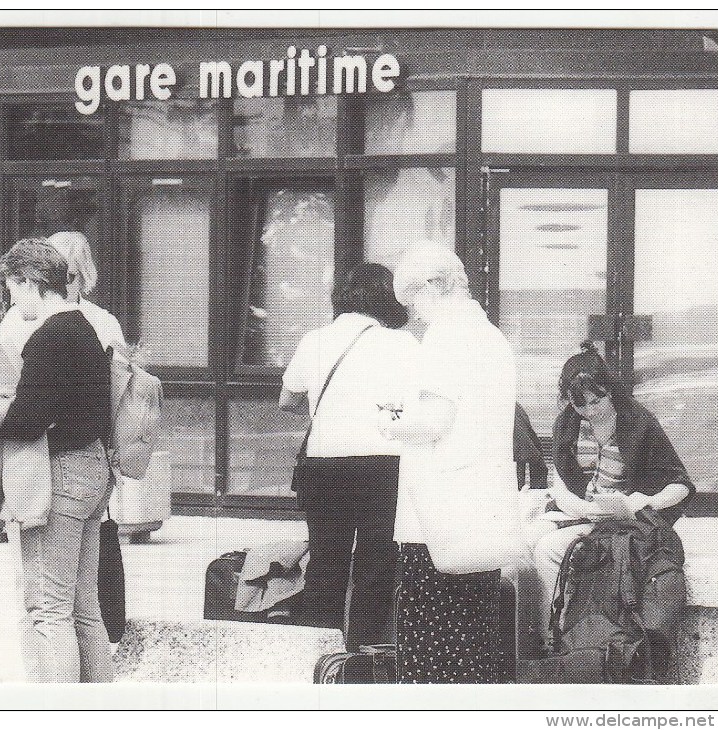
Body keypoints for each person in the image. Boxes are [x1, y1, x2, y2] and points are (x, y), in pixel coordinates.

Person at [382, 243, 516, 683]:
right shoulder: (493, 338)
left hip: (436, 514)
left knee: (429, 630)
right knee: (475, 629)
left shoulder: (445, 335)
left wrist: (388, 415)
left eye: (414, 300)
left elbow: (433, 421)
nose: (415, 315)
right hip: (482, 506)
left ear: (437, 285)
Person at [279, 262, 417, 650]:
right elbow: (415, 405)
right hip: (384, 464)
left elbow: (287, 399)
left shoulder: (315, 339)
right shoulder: (403, 344)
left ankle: (317, 660)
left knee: (325, 564)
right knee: (376, 566)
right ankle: (362, 661)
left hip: (325, 465)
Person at [0, 239, 115, 683]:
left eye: (11, 290)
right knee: (85, 611)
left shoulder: (46, 337)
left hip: (60, 474)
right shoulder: (84, 327)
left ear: (29, 282)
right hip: (93, 470)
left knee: (48, 610)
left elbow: (29, 419)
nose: (11, 301)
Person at [531, 342, 694, 642]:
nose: (590, 410)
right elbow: (561, 486)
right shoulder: (567, 422)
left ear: (609, 389)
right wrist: (583, 509)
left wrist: (647, 501)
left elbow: (681, 484)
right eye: (580, 404)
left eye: (597, 401)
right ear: (568, 400)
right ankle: (536, 638)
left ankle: (554, 638)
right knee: (526, 540)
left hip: (622, 523)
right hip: (583, 512)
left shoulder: (637, 421)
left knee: (548, 548)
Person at [0, 230, 125, 357]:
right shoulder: (16, 315)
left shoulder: (104, 322)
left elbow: (122, 373)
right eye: (51, 274)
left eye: (68, 276)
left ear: (84, 275)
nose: (58, 282)